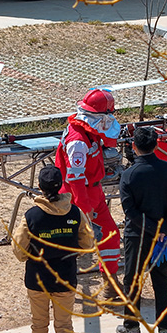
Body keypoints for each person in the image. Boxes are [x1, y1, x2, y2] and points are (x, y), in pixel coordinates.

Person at [12, 164, 95, 333]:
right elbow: (88, 244)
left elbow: (19, 252)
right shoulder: (75, 212)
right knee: (64, 326)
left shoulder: (31, 216)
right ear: (62, 186)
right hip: (65, 278)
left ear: (39, 187)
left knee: (39, 323)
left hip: (37, 279)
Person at [115, 126, 167, 333]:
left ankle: (132, 325)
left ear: (134, 147)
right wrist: (164, 228)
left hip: (136, 236)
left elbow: (130, 211)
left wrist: (152, 228)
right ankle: (164, 328)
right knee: (161, 280)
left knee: (132, 279)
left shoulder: (129, 175)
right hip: (161, 239)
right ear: (156, 145)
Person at [54, 88, 122, 275]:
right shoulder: (78, 142)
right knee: (69, 244)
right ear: (100, 116)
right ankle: (62, 283)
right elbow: (75, 179)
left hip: (94, 193)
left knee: (110, 236)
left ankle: (110, 281)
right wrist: (84, 209)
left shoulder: (87, 131)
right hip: (77, 198)